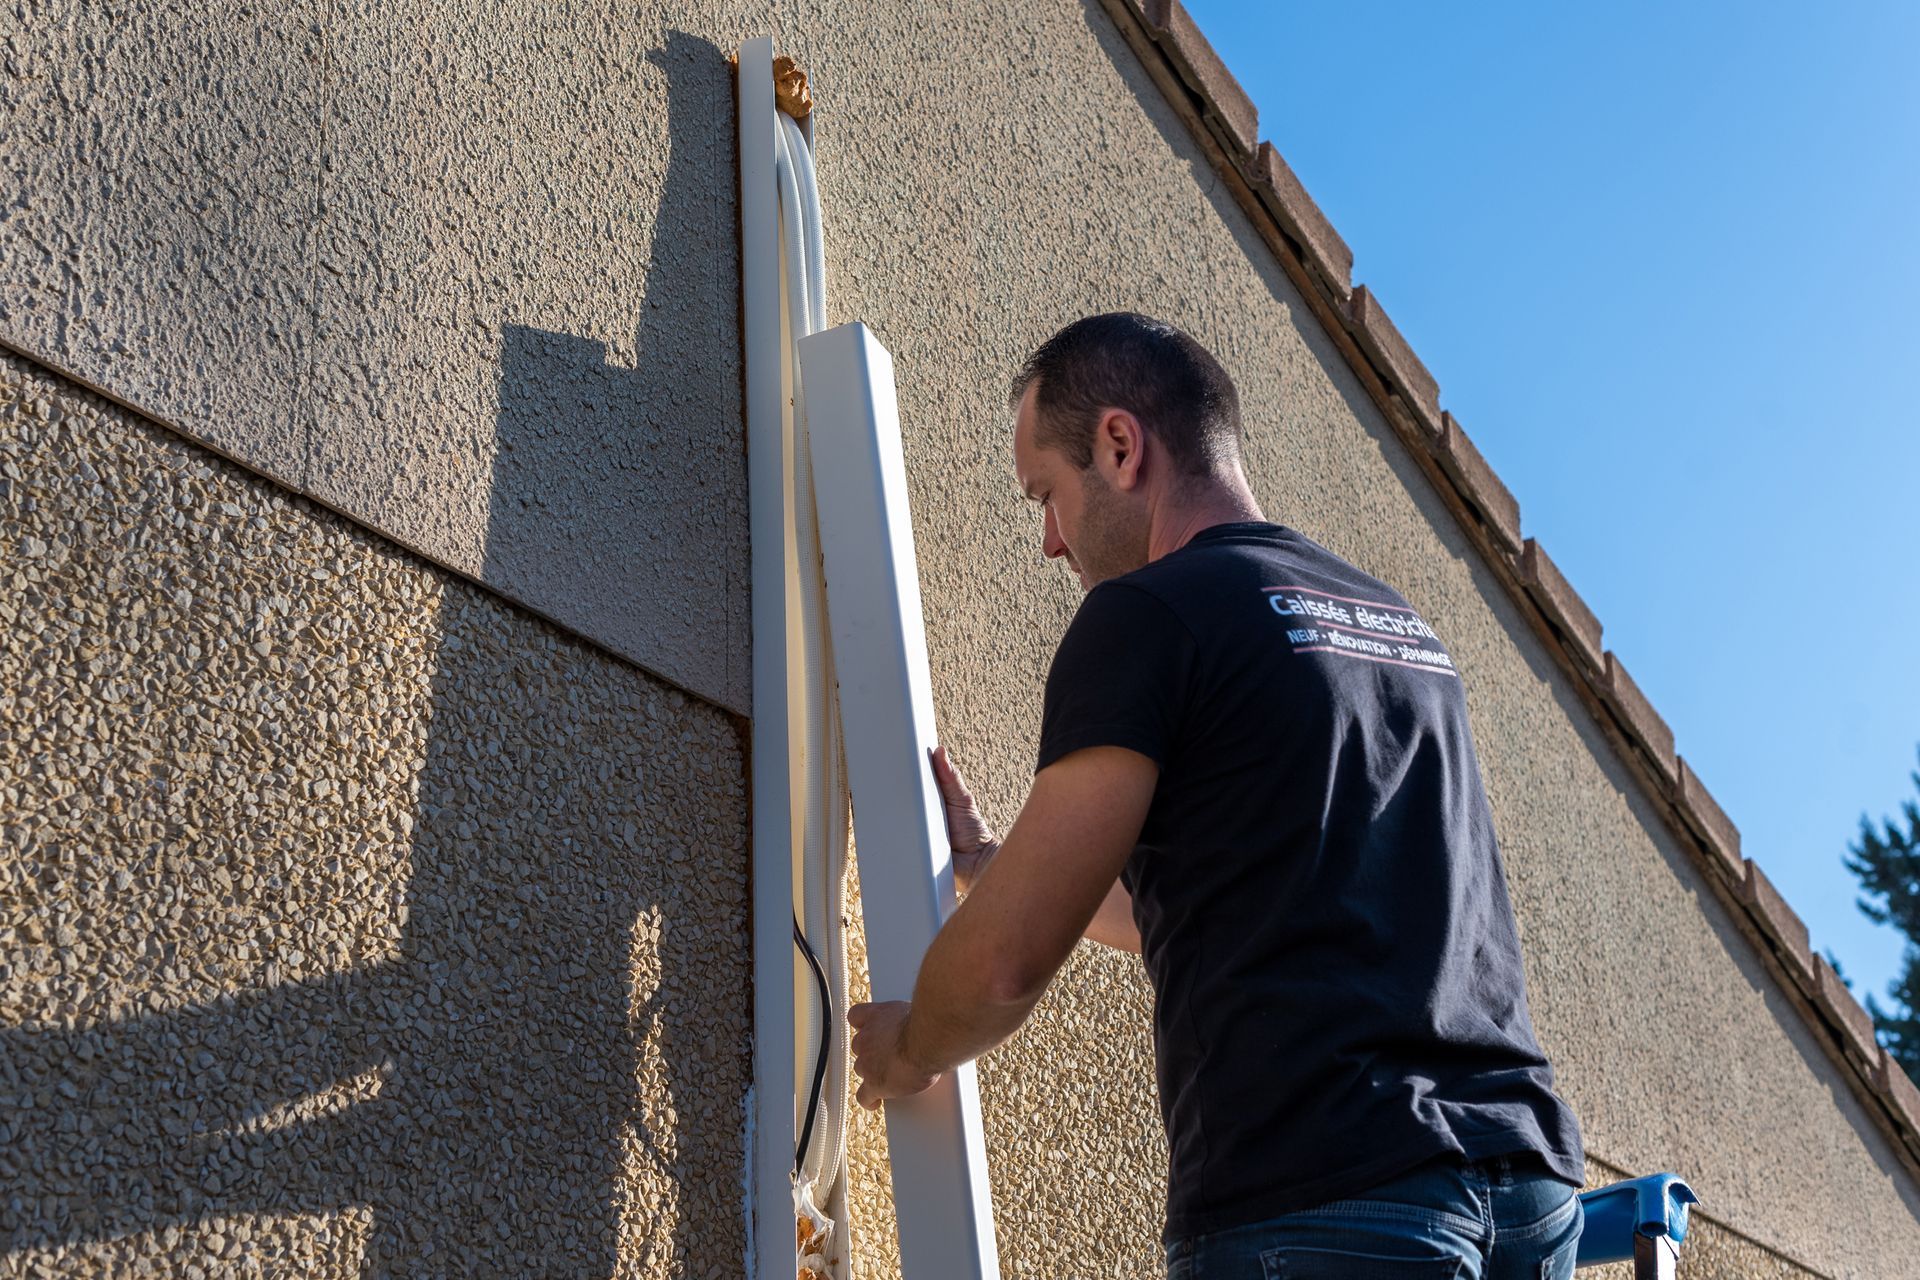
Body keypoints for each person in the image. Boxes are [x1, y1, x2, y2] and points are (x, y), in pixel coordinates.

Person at [846, 313, 1586, 1278]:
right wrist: (992, 865)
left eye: (1047, 494)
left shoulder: (1148, 615)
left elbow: (1003, 966)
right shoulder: (1394, 625)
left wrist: (909, 1048)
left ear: (1120, 446)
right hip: (1526, 1195)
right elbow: (1237, 896)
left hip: (1329, 1200)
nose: (1050, 543)